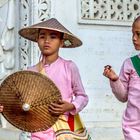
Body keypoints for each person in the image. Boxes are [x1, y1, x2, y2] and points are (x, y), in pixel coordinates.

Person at [17, 18, 91, 140]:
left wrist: (71, 106)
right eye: (42, 36)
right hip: (36, 129)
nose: (47, 41)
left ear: (61, 42)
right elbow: (23, 102)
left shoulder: (69, 67)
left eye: (53, 37)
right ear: (37, 40)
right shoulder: (30, 71)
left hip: (63, 129)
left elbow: (82, 96)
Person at [103, 16, 140, 140]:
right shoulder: (130, 64)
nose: (134, 38)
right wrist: (114, 80)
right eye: (133, 34)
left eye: (138, 34)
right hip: (134, 130)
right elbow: (123, 97)